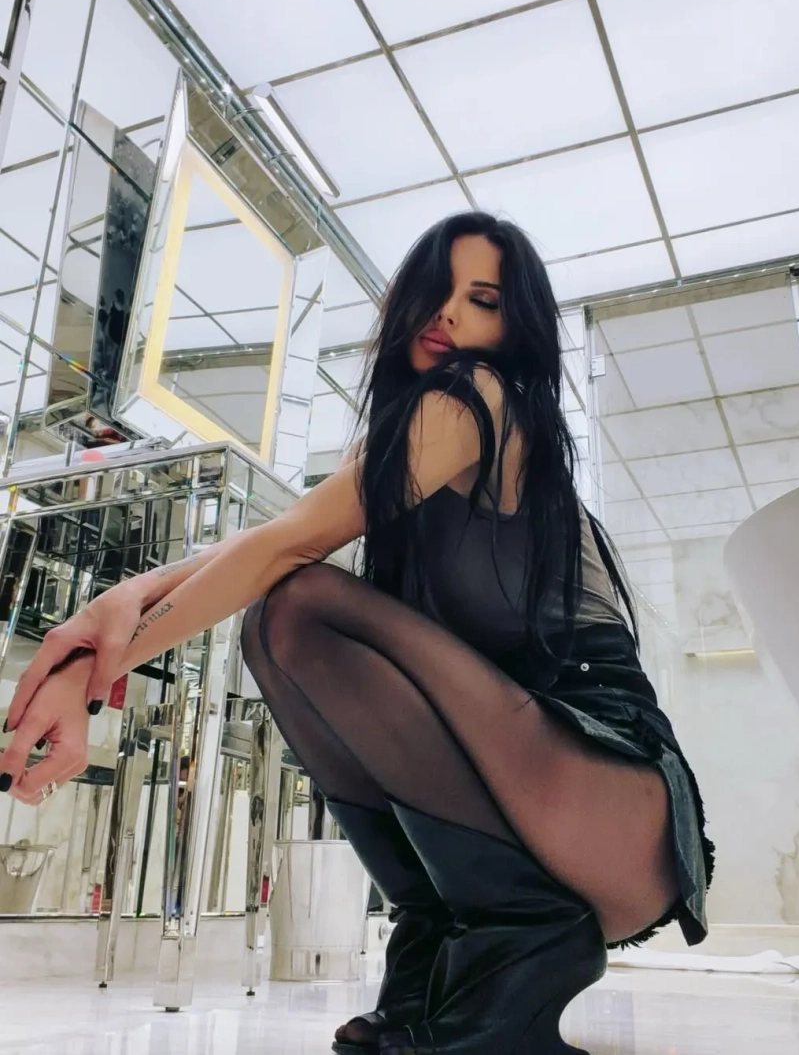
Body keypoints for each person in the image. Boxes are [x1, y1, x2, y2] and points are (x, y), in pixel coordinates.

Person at [0, 213, 714, 1055]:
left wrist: (92, 673)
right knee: (281, 624)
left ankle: (521, 932)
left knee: (295, 606)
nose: (449, 313)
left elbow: (286, 548)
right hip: (553, 813)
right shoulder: (405, 445)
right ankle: (440, 923)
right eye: (437, 290)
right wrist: (119, 603)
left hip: (610, 800)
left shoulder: (480, 396)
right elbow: (267, 538)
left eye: (482, 301)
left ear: (511, 330)